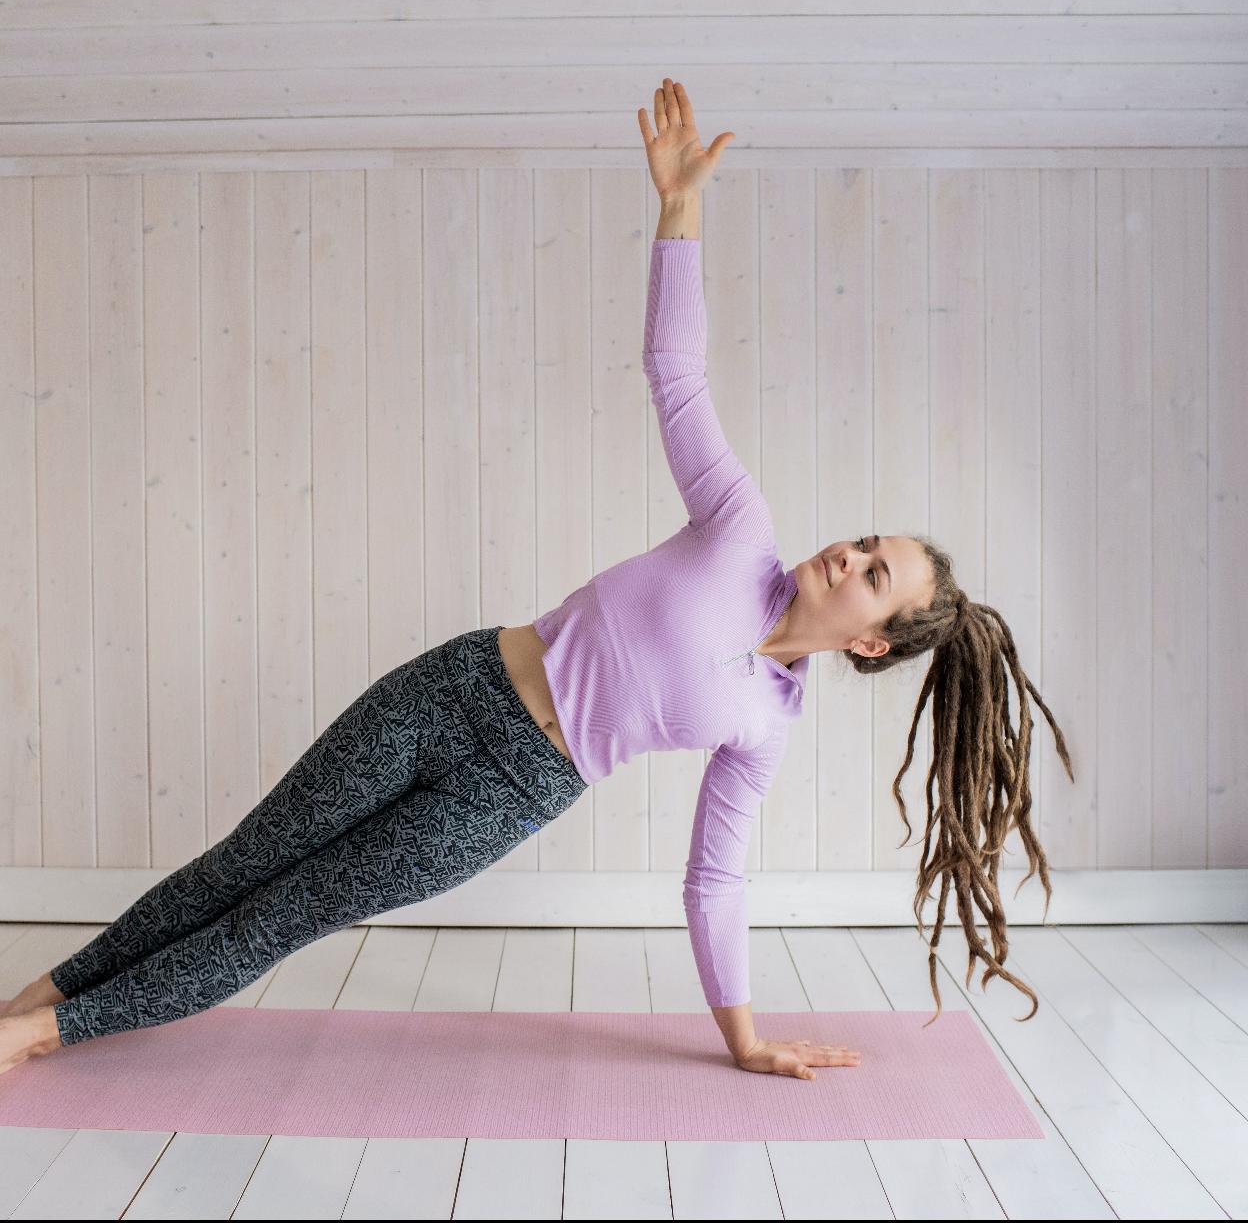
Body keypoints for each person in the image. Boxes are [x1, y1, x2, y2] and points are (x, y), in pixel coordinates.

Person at [0, 79, 1072, 1085]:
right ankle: (29, 1002)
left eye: (873, 573)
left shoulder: (766, 725)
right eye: (865, 540)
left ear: (873, 640)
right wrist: (678, 213)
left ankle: (41, 1036)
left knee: (279, 918)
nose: (848, 553)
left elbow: (714, 880)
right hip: (452, 688)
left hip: (506, 796)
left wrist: (743, 1042)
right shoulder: (740, 527)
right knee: (243, 862)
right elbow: (676, 372)